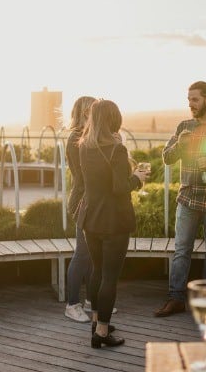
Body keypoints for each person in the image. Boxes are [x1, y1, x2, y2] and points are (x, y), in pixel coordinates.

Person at [154, 81, 206, 317]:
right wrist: (180, 145)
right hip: (187, 199)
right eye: (189, 99)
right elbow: (167, 158)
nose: (190, 104)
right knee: (181, 250)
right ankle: (176, 299)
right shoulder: (184, 127)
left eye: (195, 99)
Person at [77, 99, 148, 348]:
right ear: (114, 120)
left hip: (90, 217)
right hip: (113, 220)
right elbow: (120, 188)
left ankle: (97, 323)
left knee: (97, 271)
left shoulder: (84, 146)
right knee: (110, 277)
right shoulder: (116, 150)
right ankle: (103, 333)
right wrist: (137, 179)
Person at [64, 96, 98, 323]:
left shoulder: (88, 136)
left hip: (93, 200)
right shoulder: (77, 138)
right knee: (82, 253)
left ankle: (92, 300)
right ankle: (72, 304)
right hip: (82, 201)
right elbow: (85, 173)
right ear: (86, 112)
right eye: (95, 110)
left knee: (92, 254)